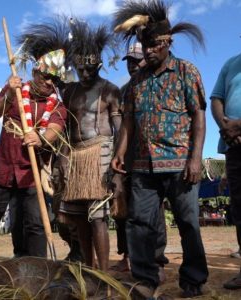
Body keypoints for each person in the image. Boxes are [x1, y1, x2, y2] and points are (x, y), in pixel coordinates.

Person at [112, 0, 208, 298]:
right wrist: (119, 152)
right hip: (142, 166)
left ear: (168, 42)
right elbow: (128, 121)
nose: (149, 50)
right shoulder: (136, 82)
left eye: (154, 45)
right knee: (139, 223)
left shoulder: (185, 71)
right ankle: (145, 280)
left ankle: (193, 279)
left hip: (180, 164)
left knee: (188, 223)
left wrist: (195, 159)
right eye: (146, 45)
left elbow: (199, 117)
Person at [0, 21, 69, 263]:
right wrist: (8, 93)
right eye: (46, 76)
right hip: (2, 169)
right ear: (36, 72)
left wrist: (40, 138)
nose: (50, 82)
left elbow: (55, 130)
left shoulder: (57, 106)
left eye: (55, 80)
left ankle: (38, 271)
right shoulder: (15, 89)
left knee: (35, 225)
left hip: (31, 173)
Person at [56, 19, 122, 271]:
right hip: (74, 155)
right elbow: (64, 128)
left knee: (97, 217)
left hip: (101, 152)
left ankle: (103, 273)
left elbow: (119, 128)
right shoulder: (69, 92)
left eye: (89, 69)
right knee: (78, 219)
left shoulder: (110, 91)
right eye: (80, 69)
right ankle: (89, 268)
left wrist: (117, 163)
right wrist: (62, 157)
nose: (84, 74)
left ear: (99, 66)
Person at [112, 43, 169, 281]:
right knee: (123, 210)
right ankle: (127, 257)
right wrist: (118, 156)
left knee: (152, 211)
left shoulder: (155, 82)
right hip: (126, 158)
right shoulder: (124, 90)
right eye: (129, 61)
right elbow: (120, 127)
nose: (133, 65)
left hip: (151, 158)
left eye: (137, 60)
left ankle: (157, 258)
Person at [211, 50, 241, 289]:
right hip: (233, 147)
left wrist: (238, 125)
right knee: (239, 209)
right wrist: (225, 127)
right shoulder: (230, 63)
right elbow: (216, 99)